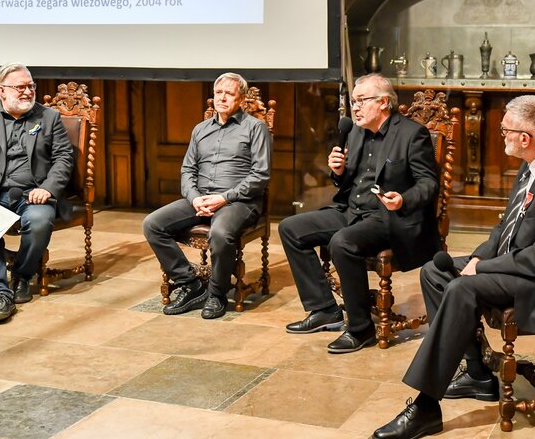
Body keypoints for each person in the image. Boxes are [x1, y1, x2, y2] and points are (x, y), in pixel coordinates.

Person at [373, 95, 535, 438]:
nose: (502, 136)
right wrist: (481, 257)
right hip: (526, 266)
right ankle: (479, 373)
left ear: (525, 138)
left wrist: (483, 270)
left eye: (505, 130)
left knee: (463, 287)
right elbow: (504, 228)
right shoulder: (534, 163)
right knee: (436, 271)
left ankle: (424, 406)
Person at [278, 73, 441, 354]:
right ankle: (324, 309)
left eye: (361, 101)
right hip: (351, 210)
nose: (355, 107)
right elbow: (348, 181)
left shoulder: (412, 134)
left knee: (343, 242)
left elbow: (429, 184)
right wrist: (338, 171)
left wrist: (403, 199)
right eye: (353, 101)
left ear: (383, 103)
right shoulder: (354, 131)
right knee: (291, 228)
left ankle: (360, 328)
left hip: (388, 216)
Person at [143, 72, 271, 320]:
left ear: (241, 99)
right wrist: (194, 199)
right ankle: (190, 284)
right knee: (152, 224)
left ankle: (216, 294)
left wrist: (224, 197)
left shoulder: (256, 128)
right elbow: (187, 170)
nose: (222, 98)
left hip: (238, 201)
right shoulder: (200, 129)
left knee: (220, 234)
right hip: (200, 199)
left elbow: (261, 175)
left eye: (229, 93)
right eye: (218, 93)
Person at [0, 63, 74, 324]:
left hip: (34, 193)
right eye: (21, 87)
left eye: (31, 86)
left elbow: (64, 158)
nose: (28, 92)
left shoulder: (48, 117)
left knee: (40, 221)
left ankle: (21, 274)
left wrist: (48, 188)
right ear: (2, 90)